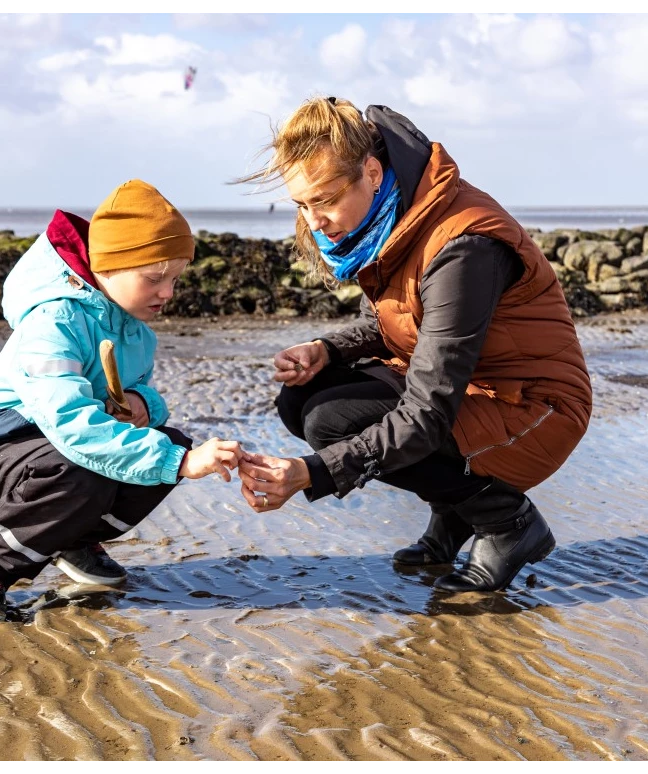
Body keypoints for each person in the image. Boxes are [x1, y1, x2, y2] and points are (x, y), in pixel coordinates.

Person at [231, 97, 592, 593]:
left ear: (373, 172)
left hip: (533, 408)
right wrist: (327, 350)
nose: (315, 222)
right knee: (303, 400)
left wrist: (312, 474)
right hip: (470, 389)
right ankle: (455, 512)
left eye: (325, 199)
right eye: (301, 205)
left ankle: (507, 523)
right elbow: (392, 324)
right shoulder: (393, 217)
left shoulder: (461, 247)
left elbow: (427, 413)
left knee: (331, 422)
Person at [0, 179, 244, 622]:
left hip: (51, 454)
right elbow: (70, 423)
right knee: (121, 460)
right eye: (154, 278)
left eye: (176, 279)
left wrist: (141, 404)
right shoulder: (53, 320)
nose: (168, 293)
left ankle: (69, 539)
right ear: (107, 267)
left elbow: (138, 402)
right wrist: (179, 462)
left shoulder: (136, 333)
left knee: (165, 440)